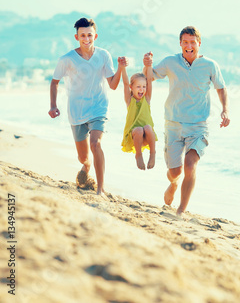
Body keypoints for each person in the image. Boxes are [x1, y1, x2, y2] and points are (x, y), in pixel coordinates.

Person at [143, 26, 230, 217]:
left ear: (199, 43)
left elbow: (221, 88)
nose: (189, 46)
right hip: (173, 124)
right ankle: (173, 184)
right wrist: (147, 65)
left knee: (191, 165)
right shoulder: (170, 62)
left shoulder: (210, 65)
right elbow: (149, 78)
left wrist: (225, 110)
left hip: (198, 126)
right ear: (180, 44)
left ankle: (181, 210)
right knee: (175, 172)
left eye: (193, 42)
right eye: (185, 42)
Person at [48, 17, 127, 196]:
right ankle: (87, 164)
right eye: (82, 35)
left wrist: (121, 69)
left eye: (89, 35)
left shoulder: (104, 55)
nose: (86, 39)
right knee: (83, 157)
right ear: (77, 37)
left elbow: (113, 85)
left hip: (99, 108)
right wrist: (53, 106)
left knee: (96, 144)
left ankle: (100, 188)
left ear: (95, 36)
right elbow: (54, 82)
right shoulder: (67, 59)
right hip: (76, 112)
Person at [121, 64, 157, 170]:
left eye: (144, 86)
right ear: (131, 88)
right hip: (134, 137)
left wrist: (149, 65)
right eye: (138, 86)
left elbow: (150, 80)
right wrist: (123, 68)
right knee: (139, 129)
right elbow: (125, 83)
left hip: (147, 137)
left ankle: (153, 154)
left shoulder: (147, 99)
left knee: (148, 128)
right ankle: (138, 155)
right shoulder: (129, 100)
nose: (142, 89)